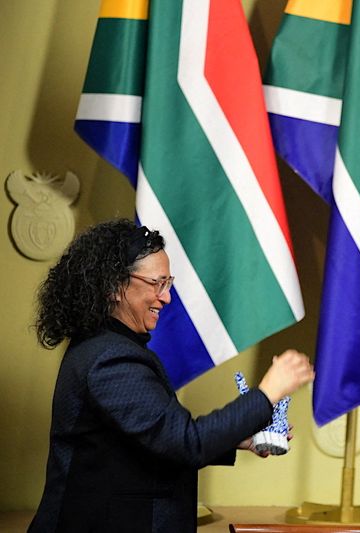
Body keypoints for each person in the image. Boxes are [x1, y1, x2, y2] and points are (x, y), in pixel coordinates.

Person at [29, 219, 314, 533]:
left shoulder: (109, 347)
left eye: (168, 284)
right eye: (156, 284)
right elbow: (184, 442)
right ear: (113, 286)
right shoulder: (111, 359)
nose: (166, 298)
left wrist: (240, 439)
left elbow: (155, 441)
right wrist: (268, 393)